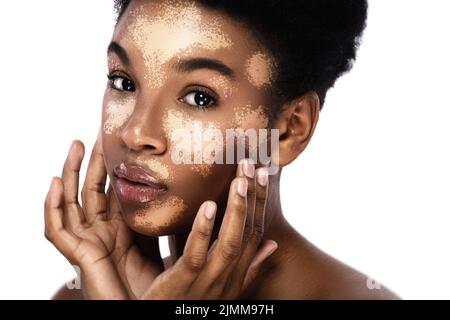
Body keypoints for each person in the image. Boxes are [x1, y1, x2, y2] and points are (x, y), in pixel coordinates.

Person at [44, 0, 400, 299]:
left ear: (289, 130)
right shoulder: (89, 291)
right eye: (124, 82)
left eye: (199, 98)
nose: (135, 133)